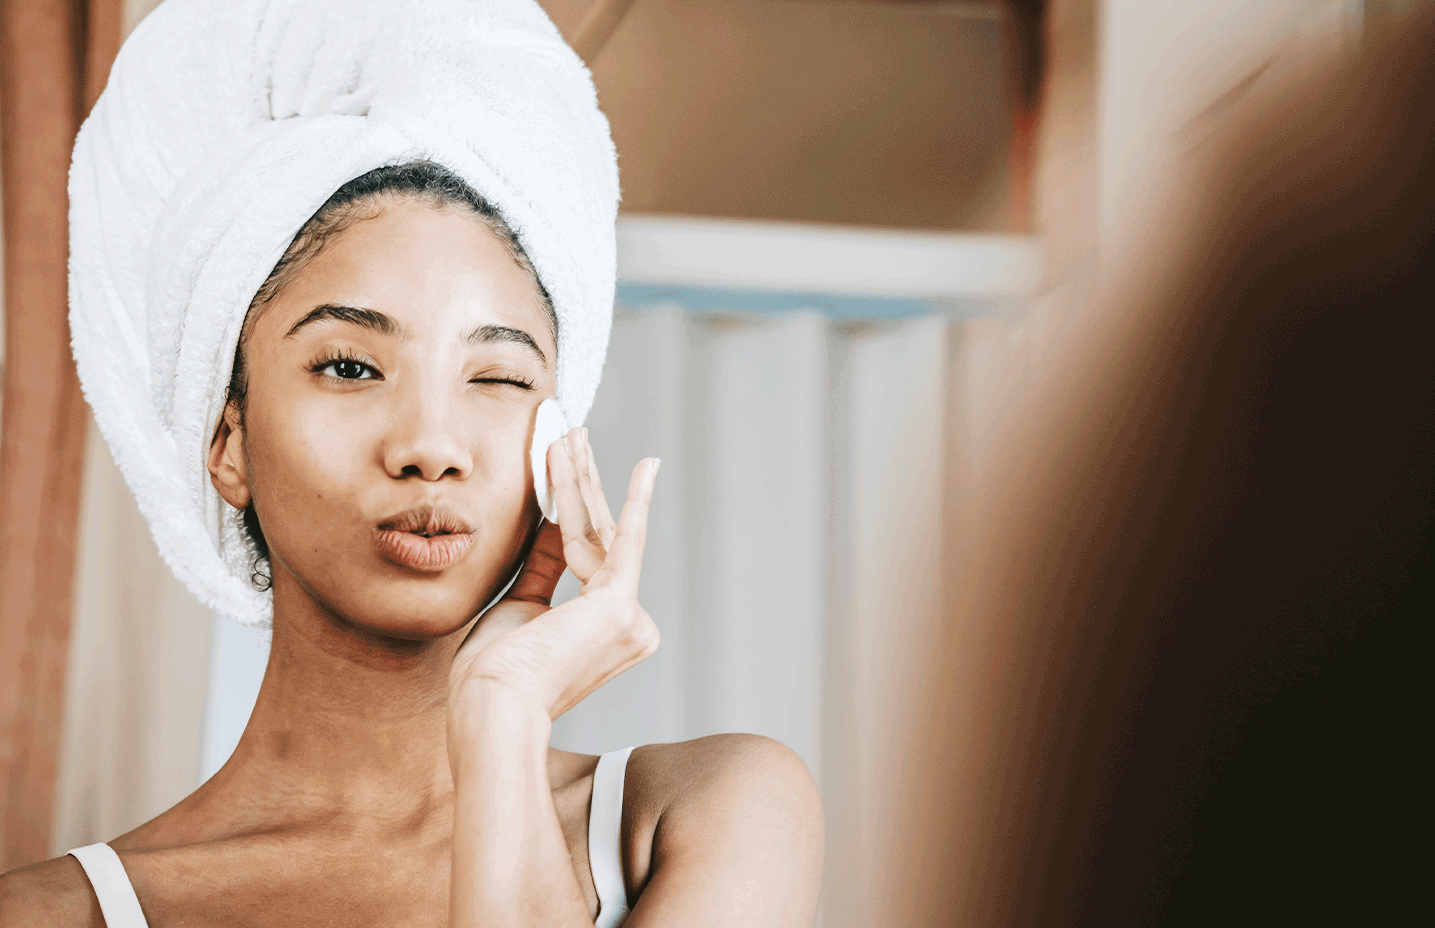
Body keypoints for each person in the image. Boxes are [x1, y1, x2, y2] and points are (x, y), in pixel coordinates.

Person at [0, 1, 823, 925]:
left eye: (497, 375)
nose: (431, 445)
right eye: (350, 367)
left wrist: (503, 719)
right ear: (227, 445)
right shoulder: (52, 914)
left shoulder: (710, 812)